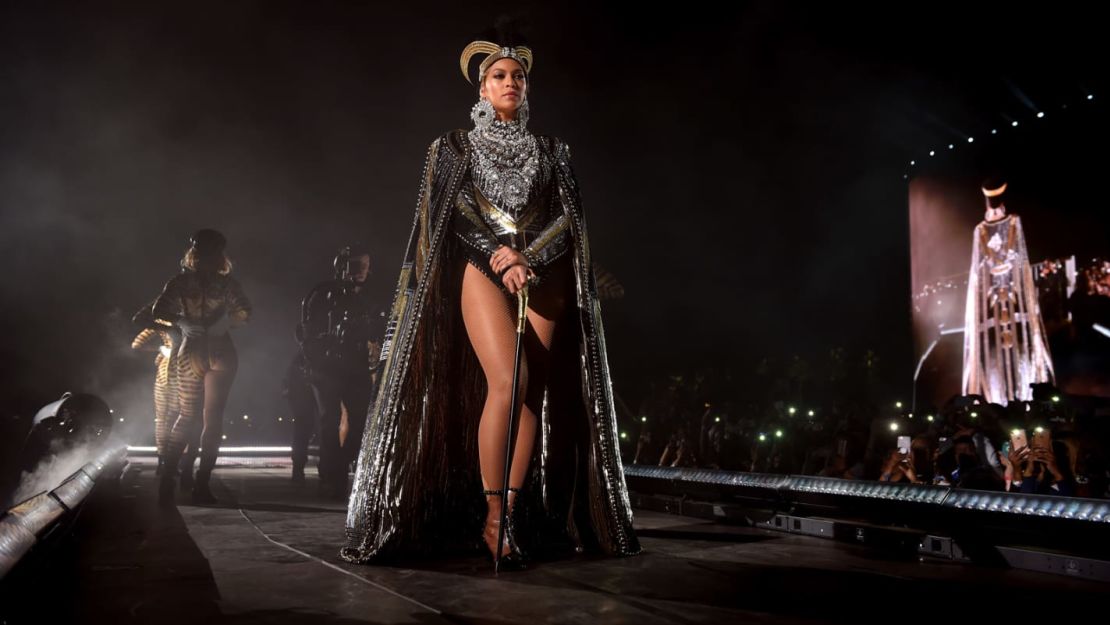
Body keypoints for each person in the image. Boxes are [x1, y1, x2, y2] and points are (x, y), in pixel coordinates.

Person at [342, 30, 640, 568]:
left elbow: (566, 217)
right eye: (499, 76)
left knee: (532, 392)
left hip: (544, 273)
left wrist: (532, 258)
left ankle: (510, 515)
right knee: (509, 378)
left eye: (518, 77)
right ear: (482, 87)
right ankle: (491, 518)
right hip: (482, 266)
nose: (510, 83)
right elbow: (454, 209)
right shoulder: (452, 145)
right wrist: (501, 256)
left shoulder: (553, 149)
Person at [154, 229, 251, 505]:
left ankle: (168, 480)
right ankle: (201, 485)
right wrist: (226, 323)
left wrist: (181, 323)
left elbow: (159, 313)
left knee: (187, 417)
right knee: (213, 419)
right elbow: (245, 312)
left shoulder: (180, 283)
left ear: (193, 253)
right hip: (221, 350)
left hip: (192, 350)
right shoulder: (227, 284)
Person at [296, 246, 382, 496]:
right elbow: (306, 331)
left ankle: (340, 464)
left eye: (365, 266)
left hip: (356, 367)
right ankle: (331, 472)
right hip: (327, 367)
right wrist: (317, 356)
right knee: (328, 421)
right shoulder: (322, 293)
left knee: (360, 421)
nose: (362, 272)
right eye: (357, 266)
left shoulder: (369, 296)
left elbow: (378, 327)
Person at [962, 177, 1054, 404]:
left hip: (1015, 304)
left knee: (1022, 359)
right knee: (996, 364)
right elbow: (978, 271)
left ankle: (1027, 405)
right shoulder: (980, 231)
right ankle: (1001, 408)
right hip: (993, 310)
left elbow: (1020, 259)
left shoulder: (1014, 223)